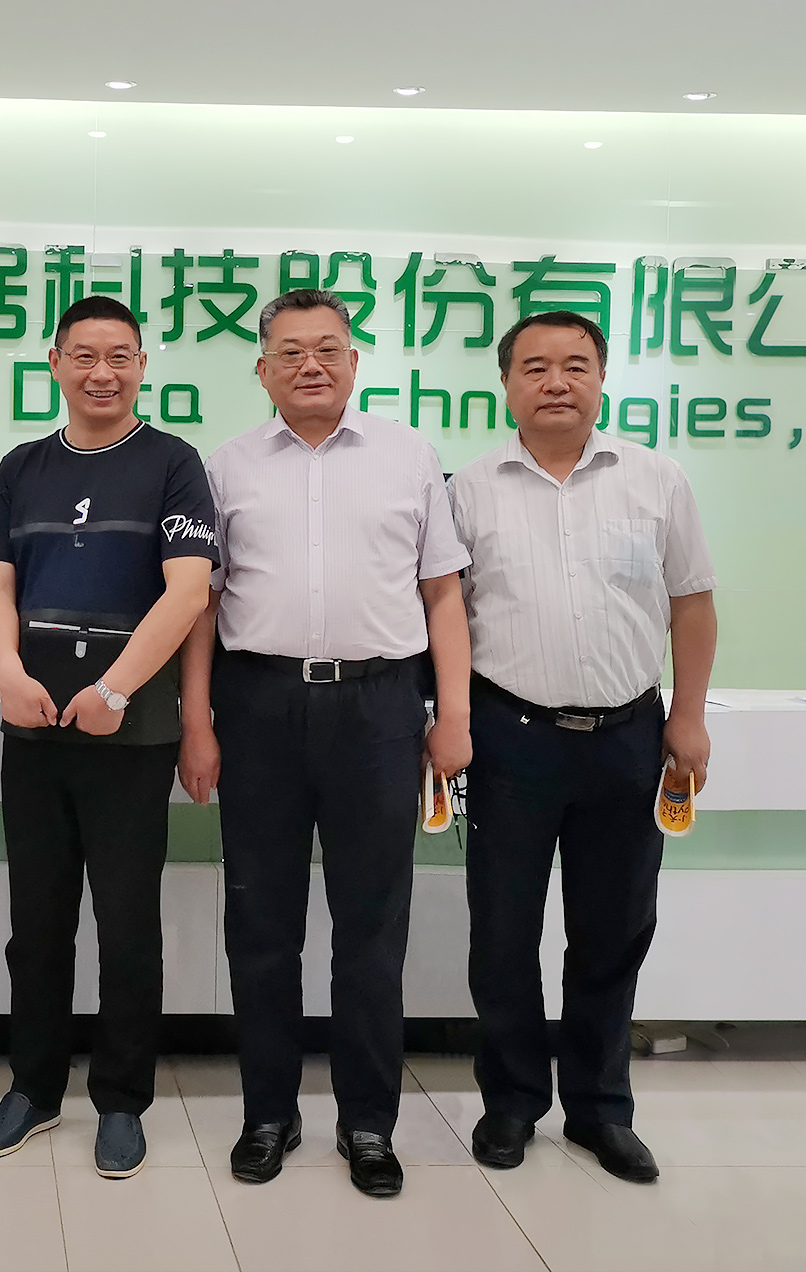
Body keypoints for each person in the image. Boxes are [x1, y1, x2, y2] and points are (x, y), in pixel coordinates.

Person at [176, 289, 471, 1198]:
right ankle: (268, 1114)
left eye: (329, 348)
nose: (311, 364)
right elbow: (203, 603)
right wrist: (197, 721)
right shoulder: (226, 465)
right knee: (260, 923)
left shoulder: (409, 455)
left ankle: (368, 1123)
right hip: (258, 704)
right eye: (291, 351)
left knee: (371, 928)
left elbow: (443, 595)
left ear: (353, 361)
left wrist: (453, 715)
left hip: (379, 707)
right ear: (262, 368)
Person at [448, 310, 717, 1184]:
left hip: (628, 737)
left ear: (602, 377)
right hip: (509, 736)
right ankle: (512, 1103)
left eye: (574, 364)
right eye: (535, 367)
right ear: (507, 384)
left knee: (613, 930)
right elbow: (445, 614)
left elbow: (692, 602)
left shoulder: (656, 479)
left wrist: (689, 716)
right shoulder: (469, 489)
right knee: (503, 933)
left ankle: (601, 1110)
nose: (555, 381)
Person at [0, 295, 217, 1179]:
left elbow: (189, 591)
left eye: (119, 356)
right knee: (36, 926)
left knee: (127, 925)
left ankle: (121, 1099)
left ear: (142, 366)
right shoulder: (21, 466)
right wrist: (8, 672)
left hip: (132, 734)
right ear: (55, 363)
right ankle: (33, 1089)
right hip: (35, 729)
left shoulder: (173, 462)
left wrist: (115, 689)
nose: (101, 372)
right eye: (84, 355)